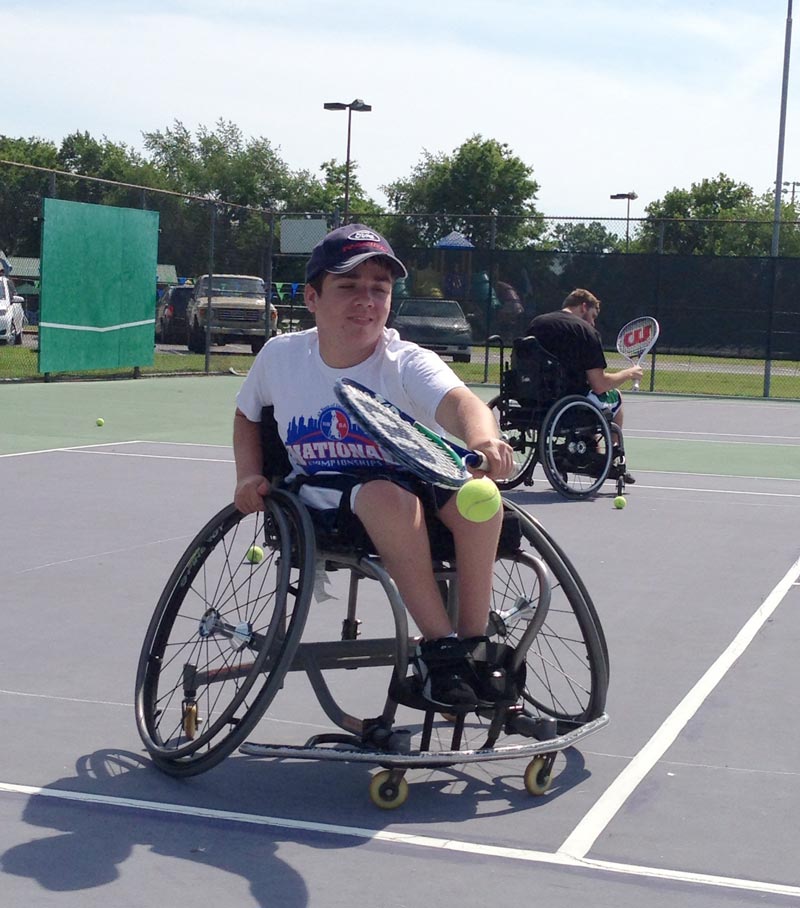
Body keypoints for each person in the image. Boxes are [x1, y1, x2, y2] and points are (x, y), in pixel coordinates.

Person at [233, 224, 514, 710]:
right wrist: (247, 474)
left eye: (379, 290)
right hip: (324, 492)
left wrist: (484, 439)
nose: (366, 300)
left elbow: (461, 403)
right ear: (313, 297)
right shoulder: (280, 357)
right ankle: (440, 647)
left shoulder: (406, 360)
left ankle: (473, 644)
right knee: (388, 498)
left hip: (413, 471)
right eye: (348, 287)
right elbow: (247, 415)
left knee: (482, 503)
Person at [527, 288, 641, 480]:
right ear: (583, 306)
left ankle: (590, 453)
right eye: (593, 315)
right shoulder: (586, 331)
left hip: (530, 400)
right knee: (615, 398)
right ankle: (608, 459)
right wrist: (628, 373)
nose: (593, 322)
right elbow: (600, 384)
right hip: (569, 403)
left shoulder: (536, 324)